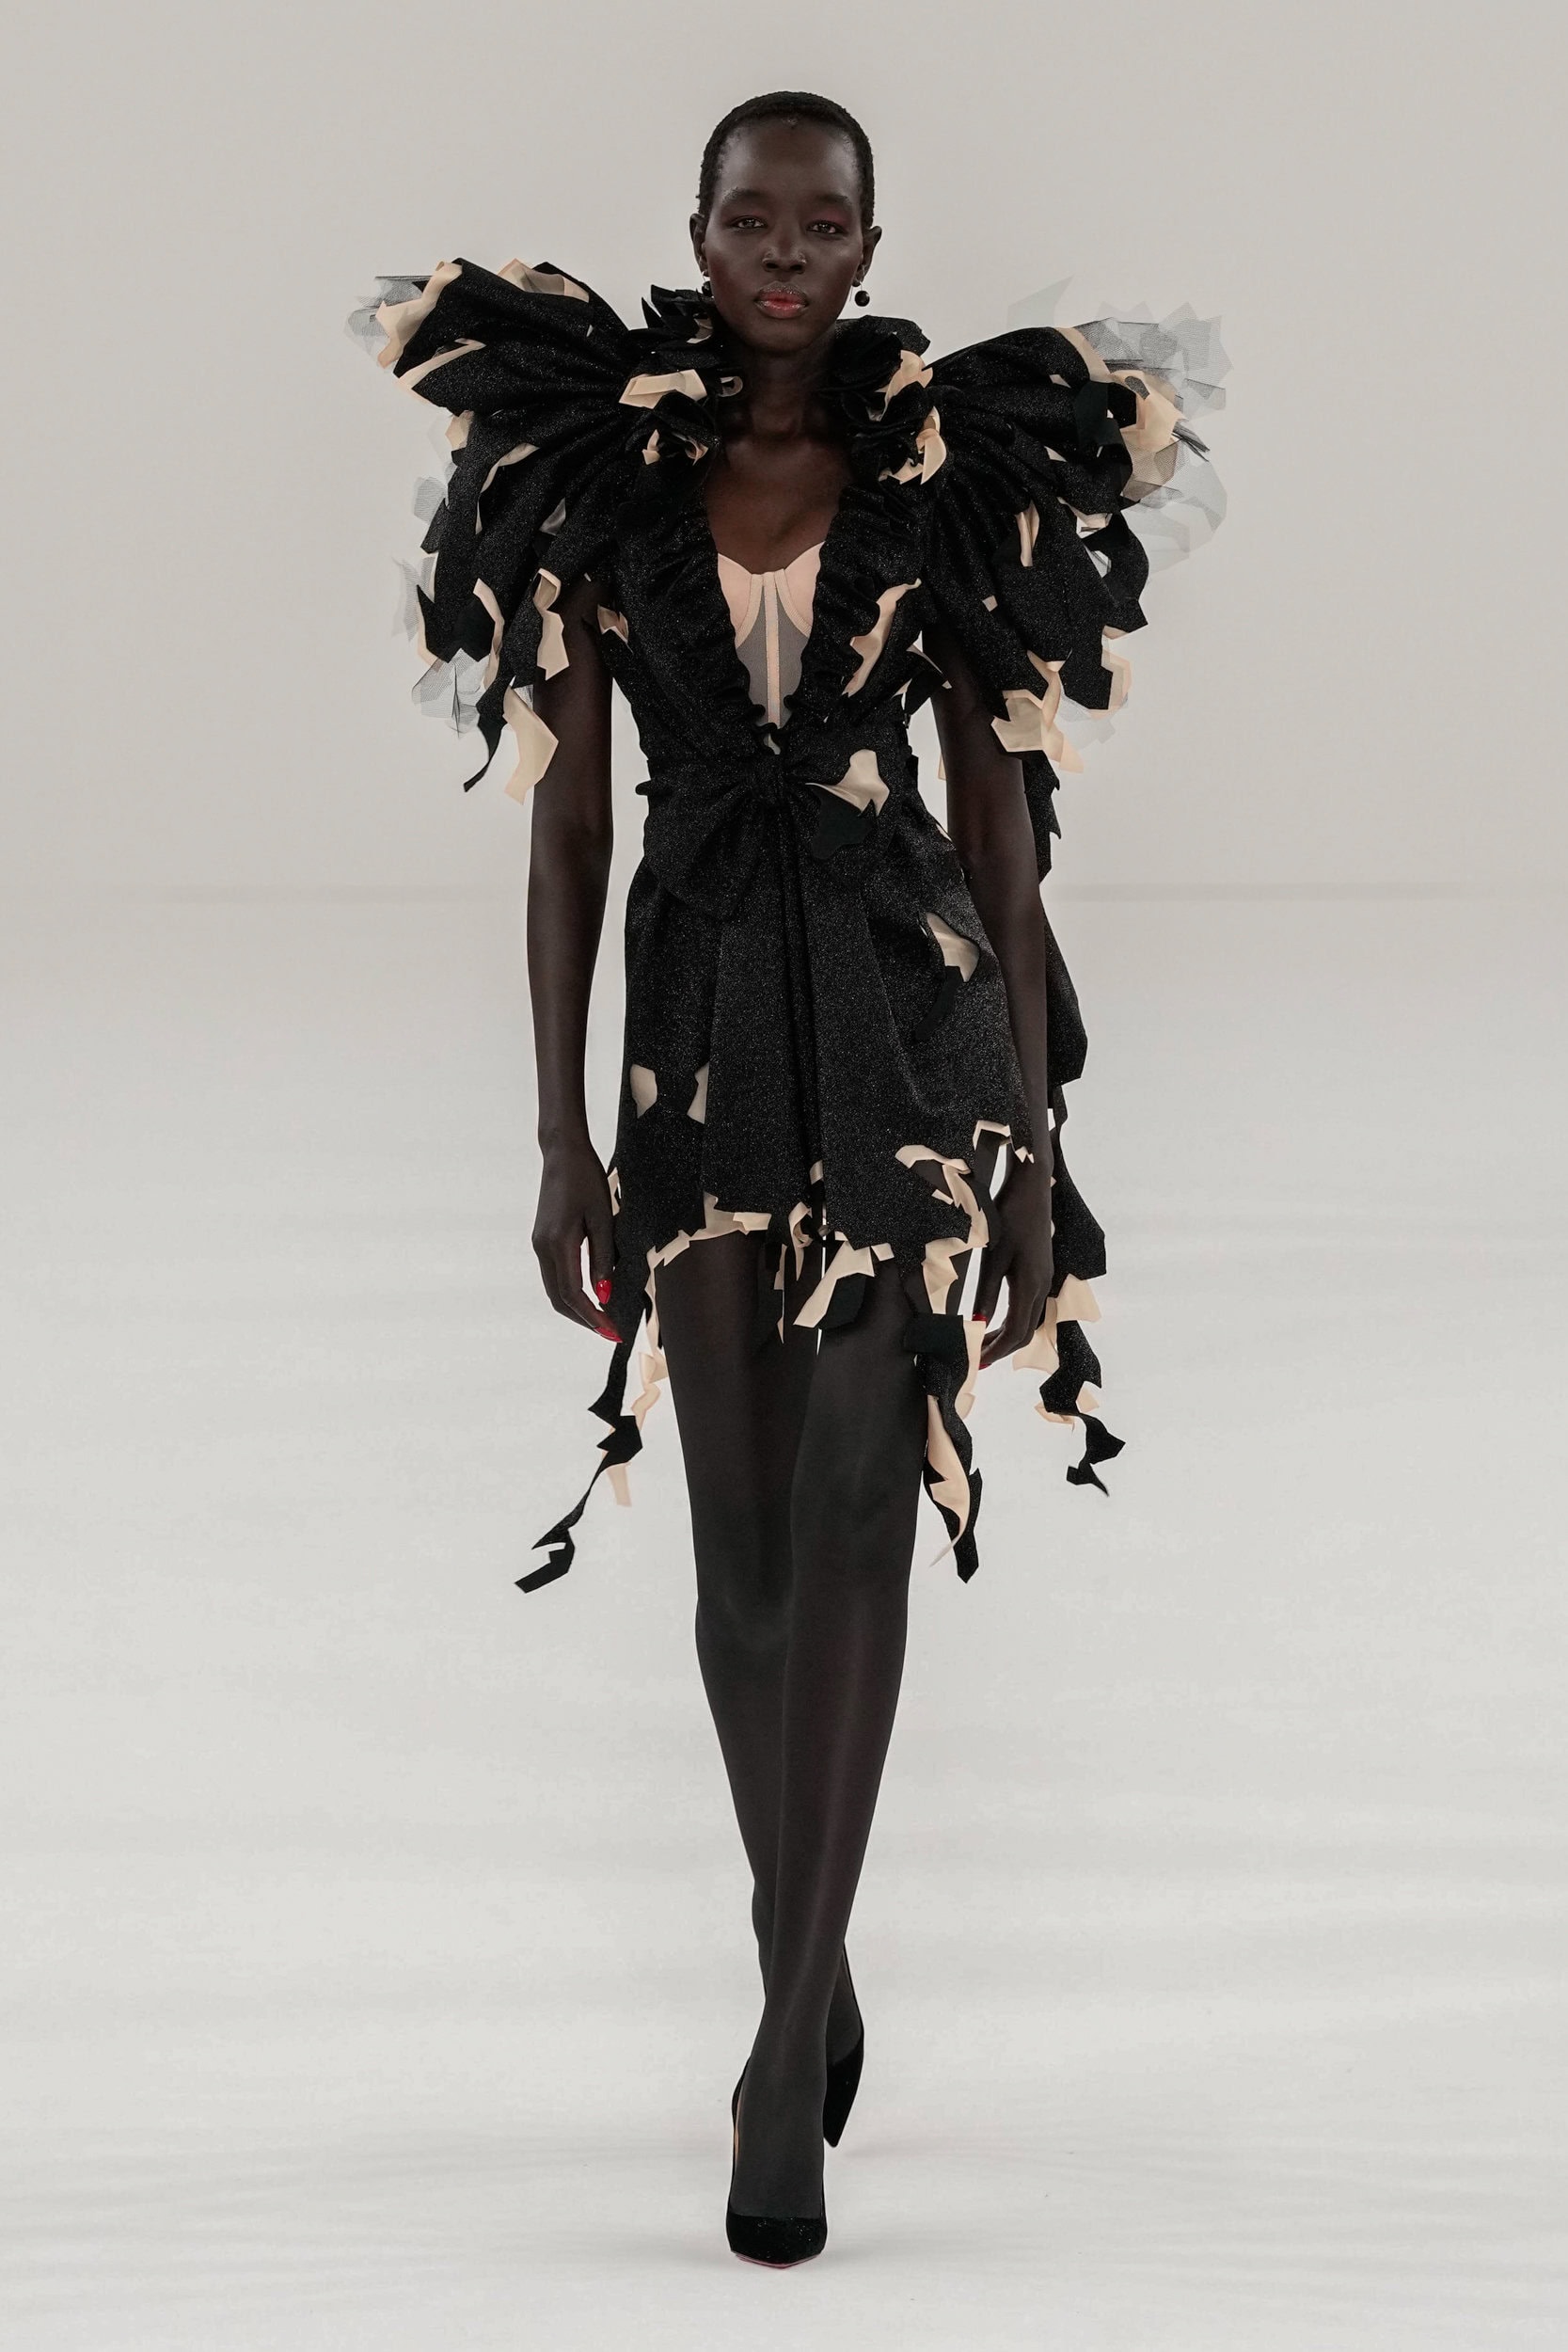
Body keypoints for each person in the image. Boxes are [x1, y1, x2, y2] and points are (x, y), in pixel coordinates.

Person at [353, 88, 1224, 2266]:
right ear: (699, 226)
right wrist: (557, 1133)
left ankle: (773, 2065)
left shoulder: (943, 472)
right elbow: (569, 826)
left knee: (854, 1507)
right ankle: (806, 1957)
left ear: (867, 247)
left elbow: (999, 824)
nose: (782, 251)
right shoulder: (595, 479)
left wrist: (1037, 1152)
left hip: (909, 1021)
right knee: (740, 1547)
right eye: (751, 215)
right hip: (698, 1028)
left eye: (822, 223)